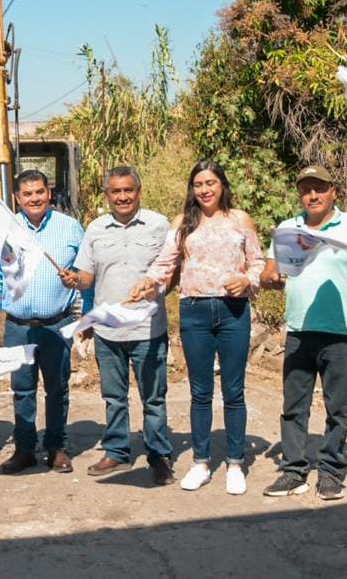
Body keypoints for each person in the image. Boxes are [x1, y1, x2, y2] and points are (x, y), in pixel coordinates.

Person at [129, 161, 264, 493]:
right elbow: (165, 263)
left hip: (233, 311)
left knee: (234, 391)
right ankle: (201, 462)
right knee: (199, 392)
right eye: (198, 184)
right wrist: (148, 281)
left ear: (222, 185)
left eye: (211, 183)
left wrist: (247, 279)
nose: (205, 190)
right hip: (194, 311)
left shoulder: (240, 220)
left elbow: (260, 262)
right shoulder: (183, 223)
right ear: (192, 189)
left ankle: (235, 463)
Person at [260, 165, 347, 501]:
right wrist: (270, 277)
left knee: (337, 407)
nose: (312, 195)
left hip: (341, 333)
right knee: (293, 406)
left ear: (333, 192)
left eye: (319, 188)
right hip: (299, 331)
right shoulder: (288, 229)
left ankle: (330, 472)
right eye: (306, 189)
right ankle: (293, 472)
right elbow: (269, 272)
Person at [66, 167, 173, 484]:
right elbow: (87, 277)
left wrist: (157, 286)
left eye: (128, 190)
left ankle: (159, 454)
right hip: (108, 330)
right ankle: (117, 451)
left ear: (139, 192)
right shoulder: (96, 229)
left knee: (154, 398)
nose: (123, 196)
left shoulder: (159, 225)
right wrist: (75, 279)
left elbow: (170, 270)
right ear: (107, 196)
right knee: (114, 397)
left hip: (148, 329)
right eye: (116, 191)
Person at [0, 169, 85, 475]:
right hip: (17, 327)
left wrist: (78, 283)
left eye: (39, 192)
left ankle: (56, 447)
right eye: (27, 194)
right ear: (17, 198)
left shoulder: (70, 228)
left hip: (57, 324)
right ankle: (25, 449)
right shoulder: (9, 232)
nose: (34, 198)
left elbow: (87, 270)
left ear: (49, 193)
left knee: (57, 389)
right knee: (22, 390)